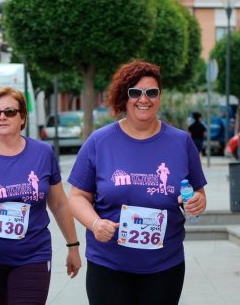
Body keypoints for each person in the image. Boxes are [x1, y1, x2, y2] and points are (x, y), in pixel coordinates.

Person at [67, 60, 207, 305]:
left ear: (160, 96)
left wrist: (197, 202)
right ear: (125, 97)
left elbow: (198, 193)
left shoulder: (181, 142)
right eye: (135, 93)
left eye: (151, 92)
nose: (144, 99)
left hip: (165, 265)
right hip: (109, 263)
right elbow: (77, 196)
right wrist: (95, 223)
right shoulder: (100, 142)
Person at [0, 86, 82, 305]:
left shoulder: (42, 153)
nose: (2, 117)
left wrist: (73, 246)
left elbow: (59, 203)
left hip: (32, 255)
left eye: (10, 112)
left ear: (22, 117)